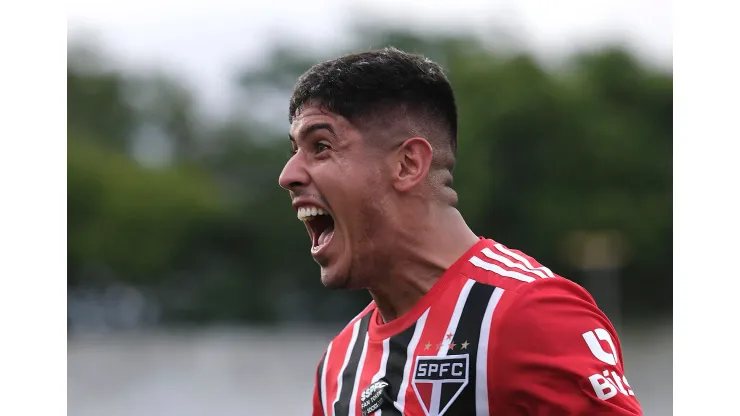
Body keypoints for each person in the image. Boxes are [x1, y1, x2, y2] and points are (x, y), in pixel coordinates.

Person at [278, 47, 643, 416]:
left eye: (320, 147)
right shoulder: (339, 367)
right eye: (294, 151)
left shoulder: (529, 313)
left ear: (407, 164)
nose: (287, 175)